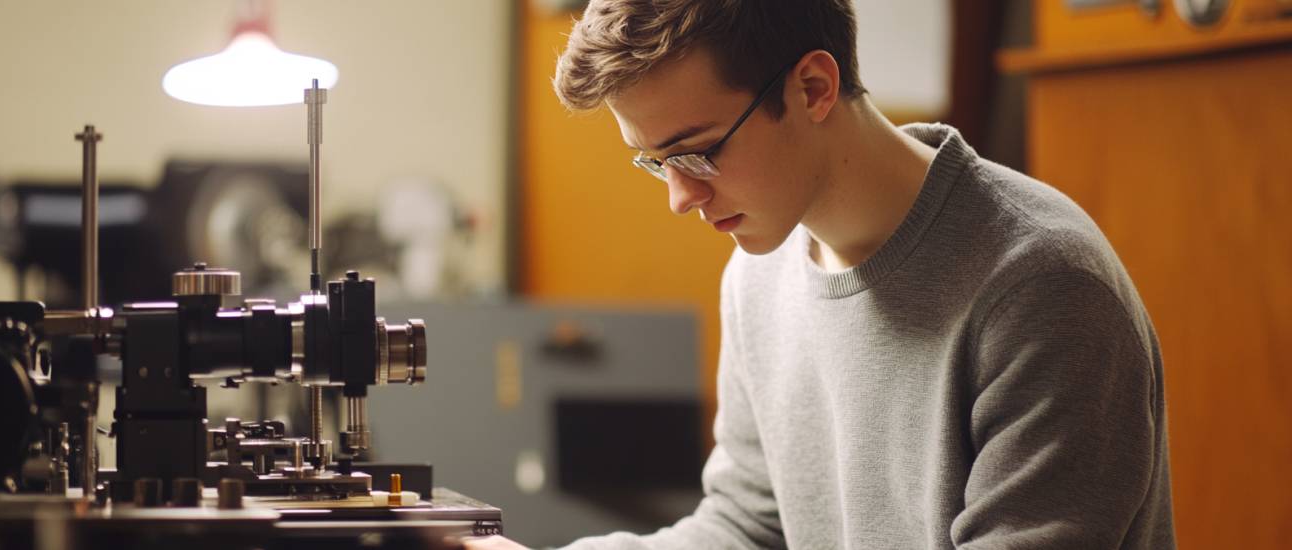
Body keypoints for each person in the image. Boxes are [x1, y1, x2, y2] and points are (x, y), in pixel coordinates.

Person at [469, 0, 1175, 548]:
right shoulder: (759, 273)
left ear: (812, 87)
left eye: (697, 152)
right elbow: (748, 530)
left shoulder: (1042, 287)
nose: (680, 198)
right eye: (655, 161)